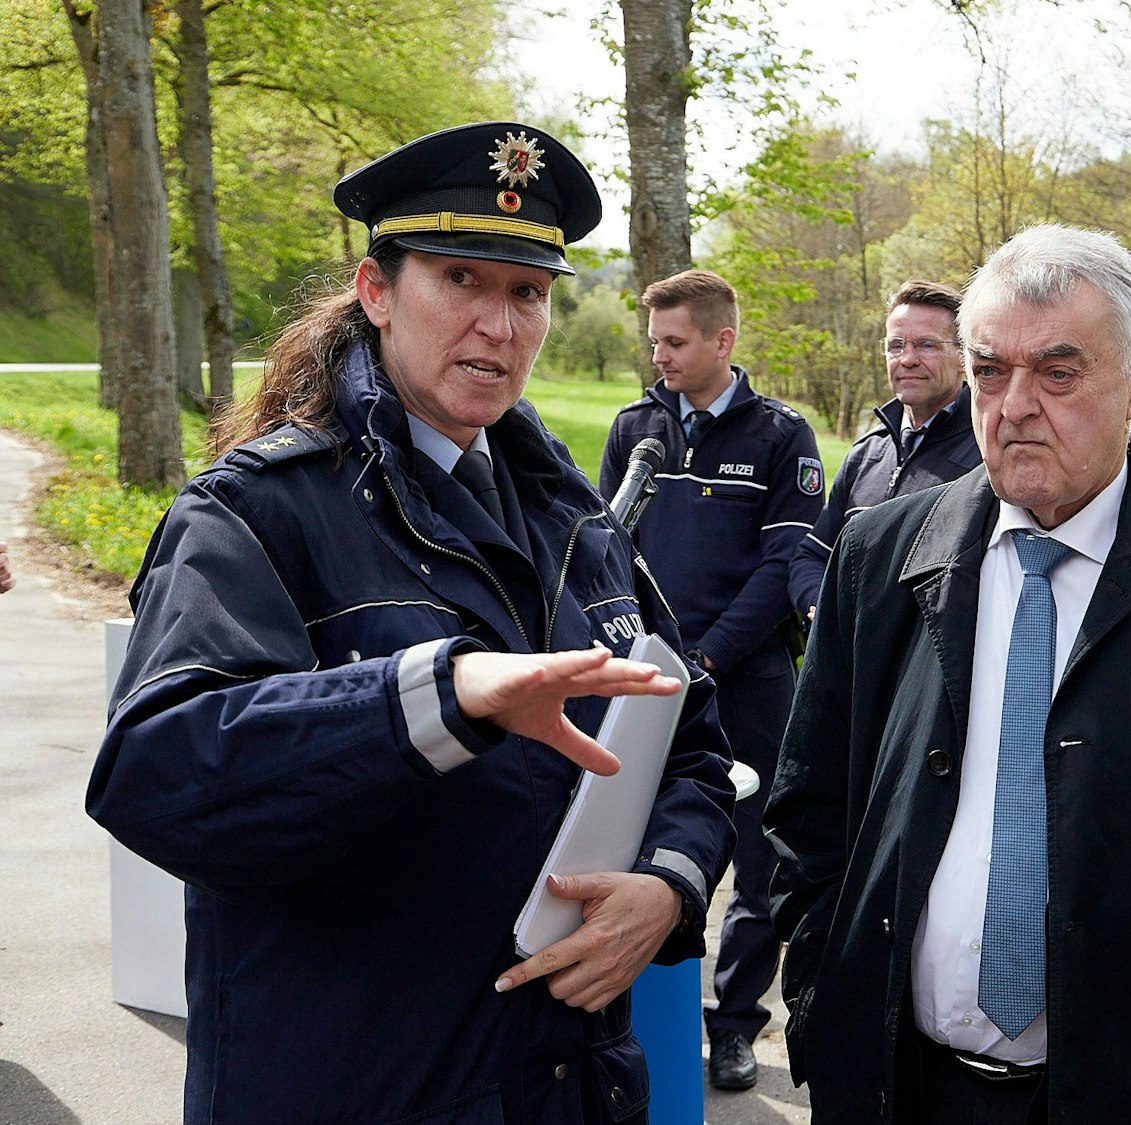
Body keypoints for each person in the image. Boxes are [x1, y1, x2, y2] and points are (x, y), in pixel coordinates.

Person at [87, 122, 737, 1125]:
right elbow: (156, 772)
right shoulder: (257, 512)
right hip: (354, 1086)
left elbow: (692, 749)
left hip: (564, 1087)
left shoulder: (574, 519)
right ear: (377, 292)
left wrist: (666, 891)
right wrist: (435, 700)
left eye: (527, 293)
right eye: (460, 280)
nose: (499, 323)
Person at [766, 224, 1131, 1123]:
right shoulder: (879, 556)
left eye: (1059, 373)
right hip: (897, 1084)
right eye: (991, 371)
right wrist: (821, 994)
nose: (1015, 406)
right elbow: (810, 810)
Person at [600, 269, 821, 1091]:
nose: (660, 357)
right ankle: (636, 1012)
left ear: (722, 341)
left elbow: (782, 565)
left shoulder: (781, 436)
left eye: (675, 342)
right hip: (650, 680)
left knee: (759, 864)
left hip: (749, 682)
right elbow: (605, 546)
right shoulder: (635, 429)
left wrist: (709, 658)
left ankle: (733, 1027)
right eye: (654, 342)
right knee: (637, 844)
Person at [787, 279, 981, 620]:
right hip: (855, 662)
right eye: (896, 346)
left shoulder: (985, 454)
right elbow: (813, 556)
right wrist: (822, 609)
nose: (907, 359)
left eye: (926, 346)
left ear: (963, 356)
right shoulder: (866, 454)